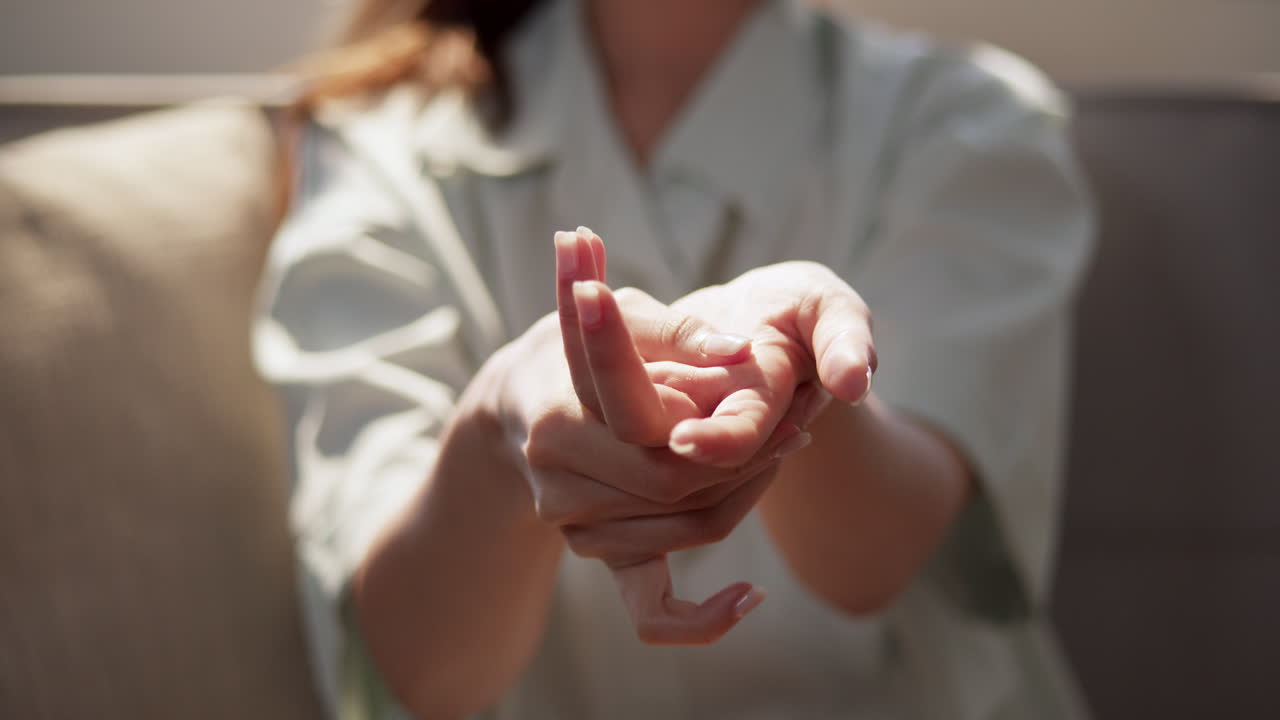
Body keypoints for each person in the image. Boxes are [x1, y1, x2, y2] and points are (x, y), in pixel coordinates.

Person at [254, 0, 1095, 718]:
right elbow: (424, 668)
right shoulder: (378, 155)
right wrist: (495, 432)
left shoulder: (964, 124)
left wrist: (793, 378)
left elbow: (875, 554)